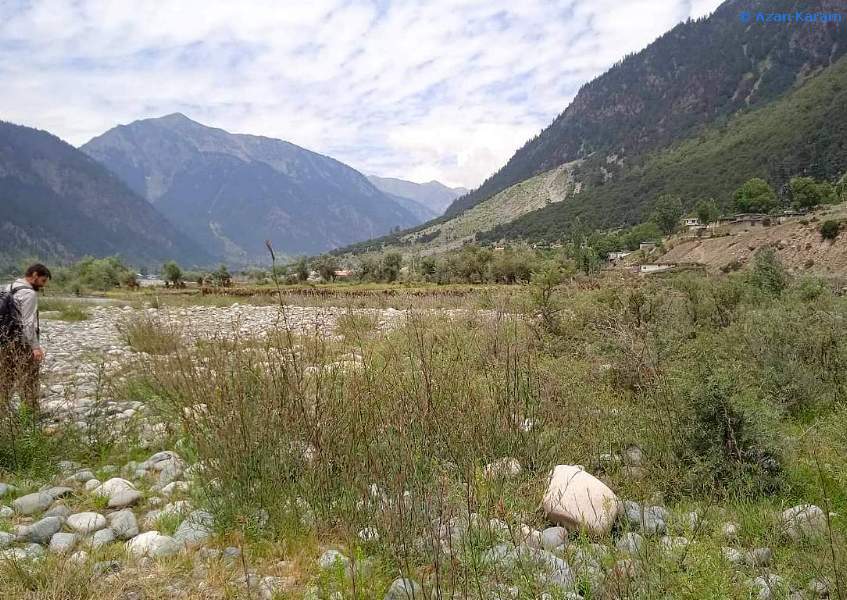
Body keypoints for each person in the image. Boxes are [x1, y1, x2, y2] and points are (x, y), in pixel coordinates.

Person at [0, 263, 51, 418]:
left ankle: (1, 411)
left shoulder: (7, 287)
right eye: (42, 281)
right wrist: (35, 347)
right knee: (29, 377)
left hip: (4, 340)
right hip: (21, 343)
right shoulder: (29, 294)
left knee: (5, 377)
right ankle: (31, 412)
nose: (42, 286)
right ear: (34, 275)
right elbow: (28, 323)